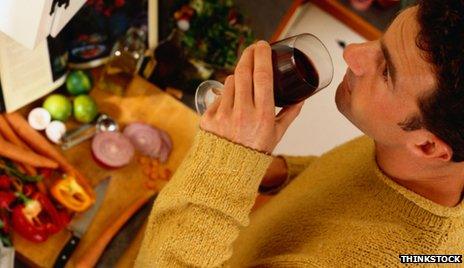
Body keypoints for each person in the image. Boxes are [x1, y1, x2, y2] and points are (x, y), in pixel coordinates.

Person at [135, 1, 464, 266]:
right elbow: (345, 187)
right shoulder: (413, 155)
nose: (352, 52)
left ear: (428, 146)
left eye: (386, 71)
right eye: (382, 40)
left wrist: (224, 165)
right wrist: (275, 172)